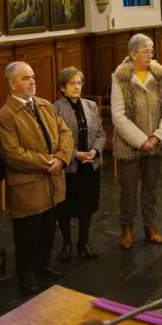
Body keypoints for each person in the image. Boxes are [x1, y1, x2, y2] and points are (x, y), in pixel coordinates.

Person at [0, 62, 73, 294]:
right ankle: (26, 276)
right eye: (26, 78)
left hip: (52, 182)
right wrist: (48, 162)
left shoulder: (44, 105)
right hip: (28, 186)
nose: (32, 81)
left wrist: (61, 158)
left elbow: (64, 132)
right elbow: (13, 154)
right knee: (28, 234)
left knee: (48, 229)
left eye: (33, 76)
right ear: (12, 84)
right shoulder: (5, 116)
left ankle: (43, 265)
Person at [110, 34, 162, 249]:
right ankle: (126, 228)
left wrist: (157, 136)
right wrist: (141, 140)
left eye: (151, 51)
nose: (150, 55)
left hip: (155, 143)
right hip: (130, 146)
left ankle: (150, 226)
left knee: (151, 187)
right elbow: (118, 116)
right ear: (132, 54)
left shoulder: (158, 75)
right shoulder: (121, 77)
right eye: (145, 51)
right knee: (128, 188)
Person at [53, 68, 107, 258]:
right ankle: (66, 244)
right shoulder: (55, 108)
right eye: (72, 83)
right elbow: (55, 141)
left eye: (79, 83)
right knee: (66, 208)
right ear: (62, 87)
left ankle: (83, 242)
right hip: (70, 168)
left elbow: (101, 133)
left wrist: (95, 151)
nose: (77, 87)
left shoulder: (90, 105)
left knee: (88, 205)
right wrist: (75, 154)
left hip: (90, 165)